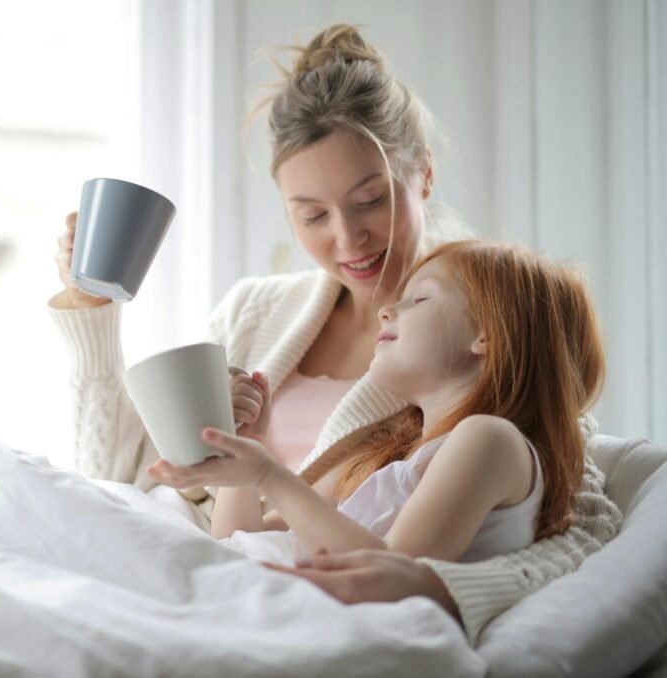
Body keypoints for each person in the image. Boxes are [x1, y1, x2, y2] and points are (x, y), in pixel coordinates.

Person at [48, 24, 621, 644]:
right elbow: (114, 476)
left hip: (294, 603)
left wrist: (438, 590)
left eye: (371, 200)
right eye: (313, 215)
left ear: (423, 174)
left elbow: (578, 524)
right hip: (206, 565)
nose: (347, 240)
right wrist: (92, 312)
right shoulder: (255, 310)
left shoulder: (488, 327)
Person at [147, 240, 603, 570]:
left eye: (419, 299)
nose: (388, 310)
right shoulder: (385, 455)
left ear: (487, 336)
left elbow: (395, 572)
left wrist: (269, 475)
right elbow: (237, 544)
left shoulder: (490, 439)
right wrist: (247, 451)